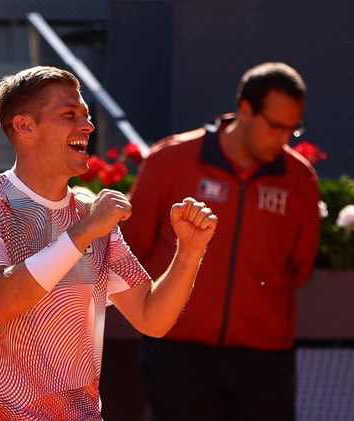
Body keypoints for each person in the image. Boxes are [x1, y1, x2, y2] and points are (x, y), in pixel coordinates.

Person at [0, 65, 218, 419]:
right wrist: (83, 232)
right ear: (25, 126)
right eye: (69, 115)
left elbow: (152, 317)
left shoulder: (90, 213)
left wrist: (189, 252)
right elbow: (0, 301)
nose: (87, 126)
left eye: (86, 116)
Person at [122, 62, 320, 420]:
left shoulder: (300, 179)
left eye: (293, 129)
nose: (284, 139)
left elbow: (299, 265)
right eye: (276, 126)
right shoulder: (172, 159)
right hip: (176, 351)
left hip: (263, 359)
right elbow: (132, 245)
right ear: (245, 110)